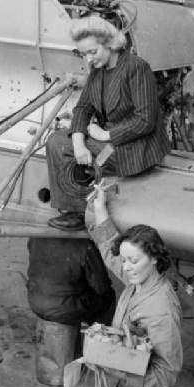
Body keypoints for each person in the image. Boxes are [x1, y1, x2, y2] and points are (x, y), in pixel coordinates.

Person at [86, 183, 183, 387]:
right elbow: (111, 254)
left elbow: (167, 371)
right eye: (124, 260)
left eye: (133, 261)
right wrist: (100, 210)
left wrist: (116, 372)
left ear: (154, 259)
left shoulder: (160, 308)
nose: (125, 267)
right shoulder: (139, 281)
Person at [45, 16, 169, 232]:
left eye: (93, 52)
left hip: (133, 147)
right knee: (57, 142)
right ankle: (73, 208)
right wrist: (78, 142)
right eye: (83, 54)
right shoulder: (98, 71)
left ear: (110, 44)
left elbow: (146, 120)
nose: (88, 60)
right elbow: (83, 108)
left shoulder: (136, 68)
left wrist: (105, 135)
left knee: (90, 157)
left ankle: (82, 211)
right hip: (110, 141)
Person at [26, 236, 115, 328]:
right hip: (66, 309)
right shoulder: (84, 245)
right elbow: (102, 287)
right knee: (108, 296)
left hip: (35, 303)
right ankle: (97, 336)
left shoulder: (35, 238)